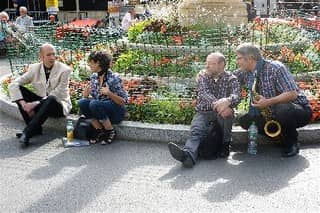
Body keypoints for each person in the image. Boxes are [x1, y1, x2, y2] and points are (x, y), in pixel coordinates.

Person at [234, 43, 312, 157]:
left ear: (250, 58)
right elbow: (228, 79)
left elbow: (292, 94)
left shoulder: (276, 67)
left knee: (282, 108)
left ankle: (291, 143)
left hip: (298, 110)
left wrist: (268, 102)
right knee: (244, 120)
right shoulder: (244, 72)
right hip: (271, 112)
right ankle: (279, 137)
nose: (237, 61)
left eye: (239, 58)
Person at [168, 52, 241, 168]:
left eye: (211, 63)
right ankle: (188, 156)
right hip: (204, 112)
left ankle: (225, 144)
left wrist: (227, 101)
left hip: (222, 114)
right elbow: (204, 93)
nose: (206, 66)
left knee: (228, 113)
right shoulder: (203, 76)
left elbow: (237, 95)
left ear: (221, 64)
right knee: (196, 131)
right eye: (206, 63)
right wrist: (220, 104)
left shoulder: (231, 78)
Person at [8, 43, 72, 146]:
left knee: (51, 99)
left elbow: (58, 93)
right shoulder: (34, 68)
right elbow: (13, 84)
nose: (52, 57)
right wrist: (24, 104)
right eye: (48, 55)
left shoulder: (64, 70)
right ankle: (35, 129)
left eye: (53, 54)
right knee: (19, 89)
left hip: (58, 104)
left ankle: (28, 133)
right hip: (42, 103)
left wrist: (35, 104)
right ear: (41, 57)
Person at [78, 51, 128, 145]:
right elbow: (94, 100)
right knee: (82, 102)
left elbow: (123, 101)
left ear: (98, 63)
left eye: (91, 62)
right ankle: (99, 130)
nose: (89, 64)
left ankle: (110, 131)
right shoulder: (94, 77)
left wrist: (109, 93)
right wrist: (85, 95)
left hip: (115, 113)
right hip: (101, 113)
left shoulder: (114, 78)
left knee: (94, 103)